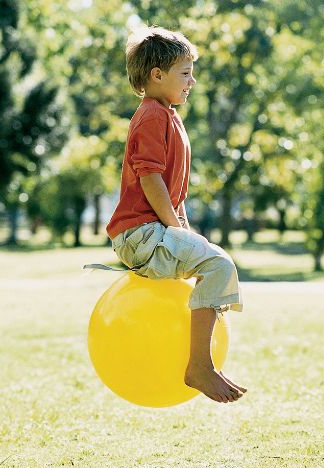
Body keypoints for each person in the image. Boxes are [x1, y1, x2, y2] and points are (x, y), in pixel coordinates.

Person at [106, 25, 246, 403]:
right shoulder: (152, 115)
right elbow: (150, 178)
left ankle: (201, 360)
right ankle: (199, 365)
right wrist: (175, 228)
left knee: (213, 263)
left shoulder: (166, 115)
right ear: (157, 75)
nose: (192, 80)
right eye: (185, 73)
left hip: (151, 232)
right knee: (219, 266)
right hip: (141, 235)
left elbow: (169, 189)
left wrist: (182, 228)